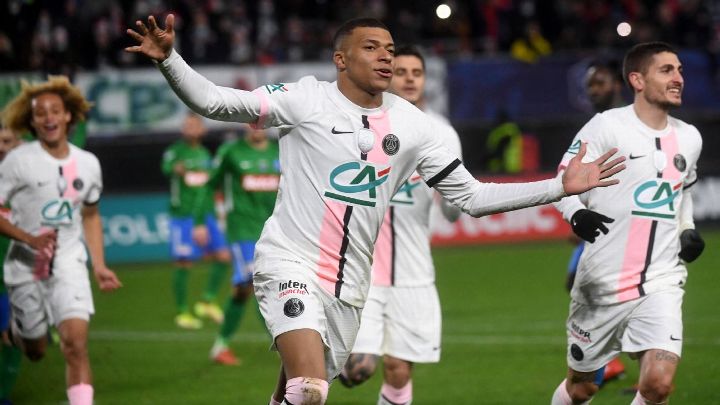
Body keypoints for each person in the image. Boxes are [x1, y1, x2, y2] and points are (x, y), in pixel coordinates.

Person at [126, 15, 624, 405]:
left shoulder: (415, 126)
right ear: (340, 59)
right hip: (289, 261)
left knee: (295, 394)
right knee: (309, 389)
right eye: (372, 48)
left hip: (350, 286)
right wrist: (170, 59)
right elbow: (215, 101)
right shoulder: (304, 99)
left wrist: (559, 186)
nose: (385, 56)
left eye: (390, 48)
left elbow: (471, 197)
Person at [551, 42, 704, 405]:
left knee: (658, 385)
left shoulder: (689, 137)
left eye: (680, 70)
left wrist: (686, 228)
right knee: (582, 388)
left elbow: (684, 190)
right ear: (637, 80)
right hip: (602, 285)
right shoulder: (606, 127)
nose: (678, 78)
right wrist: (577, 213)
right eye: (666, 70)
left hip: (661, 281)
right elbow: (562, 181)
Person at [339, 45, 462, 405]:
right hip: (363, 269)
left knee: (398, 369)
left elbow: (454, 208)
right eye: (402, 72)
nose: (410, 79)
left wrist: (454, 199)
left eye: (417, 73)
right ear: (388, 76)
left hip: (413, 271)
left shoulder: (442, 133)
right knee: (357, 369)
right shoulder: (361, 124)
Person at [0, 76, 123, 405]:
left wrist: (99, 265)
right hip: (25, 267)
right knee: (36, 350)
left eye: (55, 111)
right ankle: (15, 333)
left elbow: (91, 215)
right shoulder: (17, 162)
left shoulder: (88, 163)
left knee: (75, 345)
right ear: (32, 121)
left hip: (69, 264)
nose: (49, 118)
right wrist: (28, 238)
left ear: (68, 115)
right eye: (40, 113)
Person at [564, 60, 629, 386]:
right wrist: (580, 213)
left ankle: (633, 360)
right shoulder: (593, 128)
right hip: (598, 230)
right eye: (590, 85)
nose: (593, 90)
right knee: (577, 283)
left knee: (627, 295)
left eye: (600, 83)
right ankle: (608, 363)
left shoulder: (630, 126)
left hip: (628, 232)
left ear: (618, 84)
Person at [197, 125, 280, 365]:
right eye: (251, 121)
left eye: (261, 121)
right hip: (242, 229)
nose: (256, 126)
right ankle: (279, 343)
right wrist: (200, 222)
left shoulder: (280, 150)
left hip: (275, 229)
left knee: (253, 288)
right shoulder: (231, 151)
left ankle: (224, 346)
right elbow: (210, 185)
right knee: (253, 283)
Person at [161, 112, 231, 329]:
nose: (190, 129)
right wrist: (175, 168)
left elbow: (211, 187)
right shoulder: (175, 152)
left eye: (195, 125)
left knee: (223, 256)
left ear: (203, 129)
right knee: (183, 262)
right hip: (183, 215)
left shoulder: (204, 155)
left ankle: (207, 301)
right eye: (187, 125)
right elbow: (166, 169)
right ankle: (182, 312)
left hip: (207, 214)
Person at [0, 127, 23, 405]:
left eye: (7, 141)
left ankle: (3, 395)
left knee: (13, 339)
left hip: (13, 278)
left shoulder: (28, 183)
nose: (1, 147)